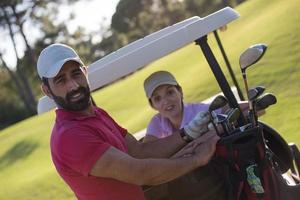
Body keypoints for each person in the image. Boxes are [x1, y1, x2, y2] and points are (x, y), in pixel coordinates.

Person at [37, 43, 220, 200]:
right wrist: (196, 160)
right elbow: (139, 172)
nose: (73, 85)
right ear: (47, 90)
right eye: (61, 80)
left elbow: (140, 152)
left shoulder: (98, 114)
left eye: (76, 73)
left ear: (85, 72)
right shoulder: (69, 135)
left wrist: (189, 132)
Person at [142, 70, 250, 199]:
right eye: (157, 98)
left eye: (170, 92)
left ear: (180, 92)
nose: (165, 101)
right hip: (187, 185)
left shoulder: (200, 112)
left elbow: (249, 109)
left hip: (215, 178)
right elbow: (147, 154)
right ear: (153, 105)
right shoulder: (157, 122)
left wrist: (212, 133)